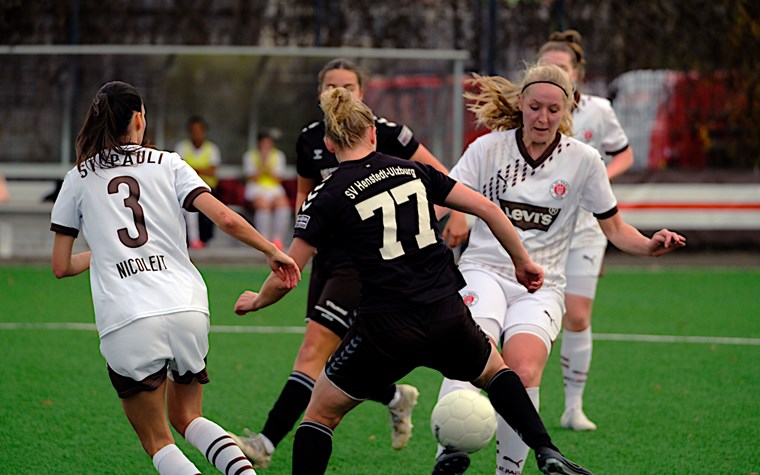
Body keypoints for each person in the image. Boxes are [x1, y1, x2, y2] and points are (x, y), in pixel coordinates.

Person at [234, 86, 592, 475]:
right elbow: (488, 208)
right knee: (496, 372)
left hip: (384, 328)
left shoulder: (327, 194)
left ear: (329, 143)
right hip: (446, 312)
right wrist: (522, 261)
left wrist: (256, 300)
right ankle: (546, 449)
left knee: (319, 414)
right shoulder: (414, 170)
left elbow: (289, 273)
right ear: (373, 133)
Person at [433, 65, 685, 475]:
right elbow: (444, 198)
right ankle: (449, 453)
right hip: (483, 269)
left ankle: (508, 472)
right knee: (472, 352)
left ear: (567, 109)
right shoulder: (487, 149)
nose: (543, 118)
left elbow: (616, 229)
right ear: (521, 104)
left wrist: (649, 245)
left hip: (542, 283)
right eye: (534, 107)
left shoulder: (584, 161)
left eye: (554, 109)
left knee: (525, 368)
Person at [228, 58, 469, 467]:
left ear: (363, 91)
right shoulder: (310, 140)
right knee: (332, 355)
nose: (339, 92)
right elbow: (307, 198)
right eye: (330, 86)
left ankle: (264, 445)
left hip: (365, 264)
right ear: (320, 94)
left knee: (312, 352)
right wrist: (304, 246)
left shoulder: (388, 133)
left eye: (348, 85)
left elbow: (440, 177)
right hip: (328, 261)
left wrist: (448, 218)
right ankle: (394, 396)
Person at [50, 81, 300, 475]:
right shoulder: (169, 162)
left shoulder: (78, 177)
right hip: (188, 308)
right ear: (137, 119)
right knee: (189, 418)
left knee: (158, 440)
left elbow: (61, 266)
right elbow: (226, 217)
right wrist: (272, 250)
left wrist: (107, 249)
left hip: (128, 318)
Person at [538, 29, 635, 432]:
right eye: (546, 67)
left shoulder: (598, 110)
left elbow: (624, 152)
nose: (554, 73)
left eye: (561, 67)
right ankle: (520, 397)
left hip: (587, 228)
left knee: (577, 316)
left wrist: (601, 177)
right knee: (535, 318)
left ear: (577, 72)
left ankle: (573, 407)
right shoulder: (529, 108)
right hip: (538, 229)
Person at [174, 115, 222, 249]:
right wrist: (202, 170)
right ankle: (193, 241)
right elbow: (178, 171)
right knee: (189, 208)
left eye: (199, 130)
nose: (196, 134)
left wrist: (192, 169)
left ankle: (203, 239)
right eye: (193, 130)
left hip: (207, 188)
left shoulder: (212, 149)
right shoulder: (181, 147)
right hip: (186, 188)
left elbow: (212, 172)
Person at [243, 129, 291, 249]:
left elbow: (279, 178)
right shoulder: (250, 155)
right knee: (263, 205)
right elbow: (252, 177)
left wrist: (267, 166)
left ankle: (278, 239)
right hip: (256, 188)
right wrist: (262, 163)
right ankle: (263, 240)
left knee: (283, 205)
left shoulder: (278, 155)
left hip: (274, 188)